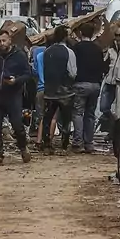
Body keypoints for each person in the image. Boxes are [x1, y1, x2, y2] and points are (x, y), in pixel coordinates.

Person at [0, 30, 32, 166]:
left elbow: (28, 74)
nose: (1, 43)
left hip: (13, 95)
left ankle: (23, 148)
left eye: (4, 40)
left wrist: (15, 80)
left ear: (10, 40)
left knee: (17, 124)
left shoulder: (19, 55)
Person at [40, 25, 76, 155]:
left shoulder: (46, 52)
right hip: (65, 92)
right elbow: (73, 72)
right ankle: (64, 146)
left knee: (47, 118)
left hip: (49, 91)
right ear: (65, 36)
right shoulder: (69, 52)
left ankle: (46, 145)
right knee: (66, 120)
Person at [71, 22, 106, 154]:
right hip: (95, 85)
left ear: (80, 33)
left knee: (78, 113)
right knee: (90, 114)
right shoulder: (98, 48)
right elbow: (102, 67)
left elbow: (73, 67)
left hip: (80, 84)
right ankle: (89, 143)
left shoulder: (77, 48)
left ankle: (77, 142)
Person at [97, 26, 120, 134]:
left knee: (119, 110)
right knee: (104, 107)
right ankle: (112, 124)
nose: (119, 38)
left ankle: (113, 132)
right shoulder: (111, 48)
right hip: (109, 82)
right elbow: (105, 63)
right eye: (117, 35)